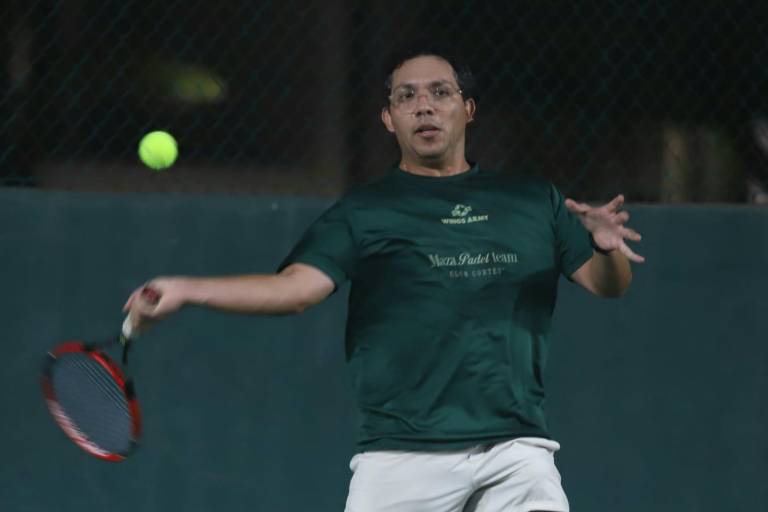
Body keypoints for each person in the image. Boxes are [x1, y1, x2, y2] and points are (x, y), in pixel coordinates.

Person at [125, 46, 644, 512]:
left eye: (440, 93)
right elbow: (295, 290)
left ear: (467, 109)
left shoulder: (532, 200)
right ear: (388, 118)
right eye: (406, 96)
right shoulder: (364, 212)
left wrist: (606, 248)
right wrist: (186, 289)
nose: (424, 106)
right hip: (402, 454)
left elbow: (608, 284)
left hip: (515, 448)